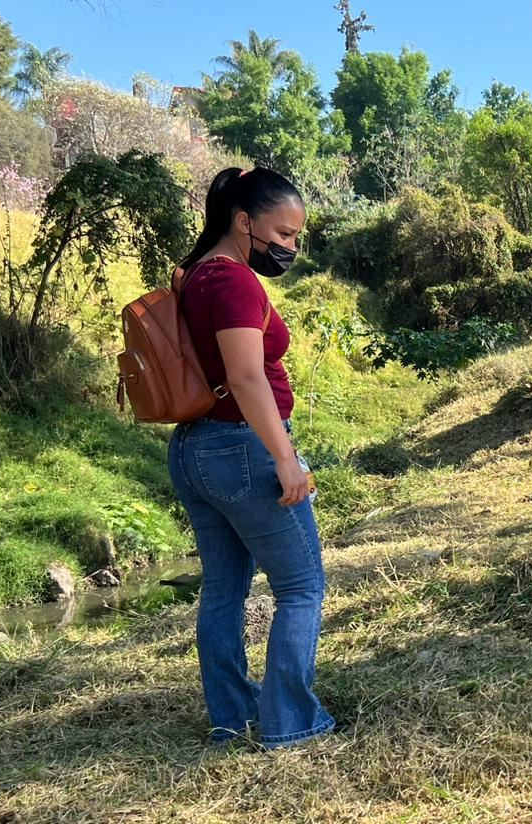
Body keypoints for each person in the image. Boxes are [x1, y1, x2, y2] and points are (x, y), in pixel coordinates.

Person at [169, 167, 335, 749]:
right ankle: (291, 723)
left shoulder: (193, 276)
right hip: (242, 446)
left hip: (194, 448)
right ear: (244, 221)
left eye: (296, 238)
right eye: (283, 234)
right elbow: (244, 376)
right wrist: (285, 458)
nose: (289, 247)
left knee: (222, 589)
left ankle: (232, 718)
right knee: (301, 586)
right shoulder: (235, 282)